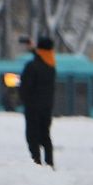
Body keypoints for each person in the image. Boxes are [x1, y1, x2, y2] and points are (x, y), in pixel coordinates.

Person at [20, 35, 57, 169]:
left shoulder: (32, 66)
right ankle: (50, 164)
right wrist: (33, 48)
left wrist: (23, 99)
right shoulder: (51, 66)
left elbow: (25, 88)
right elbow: (42, 56)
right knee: (45, 136)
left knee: (32, 137)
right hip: (47, 107)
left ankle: (37, 164)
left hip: (32, 108)